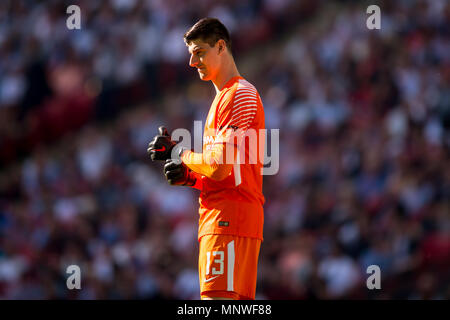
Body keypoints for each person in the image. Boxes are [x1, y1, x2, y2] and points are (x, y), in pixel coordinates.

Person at [147, 17, 265, 300]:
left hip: (227, 220)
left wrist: (179, 153)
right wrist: (191, 177)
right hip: (236, 218)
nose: (192, 62)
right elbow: (228, 172)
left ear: (221, 46)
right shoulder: (226, 98)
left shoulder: (238, 93)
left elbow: (219, 167)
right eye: (190, 54)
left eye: (199, 52)